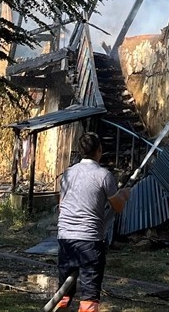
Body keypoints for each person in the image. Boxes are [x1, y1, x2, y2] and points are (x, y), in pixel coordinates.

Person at [55, 132, 130, 312]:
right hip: (90, 241)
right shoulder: (103, 175)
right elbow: (118, 207)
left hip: (65, 239)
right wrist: (124, 195)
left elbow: (61, 205)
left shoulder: (68, 173)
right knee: (89, 295)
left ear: (81, 151)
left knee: (64, 292)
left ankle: (61, 306)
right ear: (100, 150)